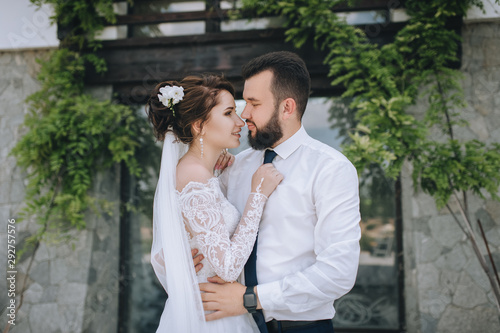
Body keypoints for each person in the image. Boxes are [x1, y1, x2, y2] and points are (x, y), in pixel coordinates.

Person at [198, 51, 361, 333]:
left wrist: (252, 299)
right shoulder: (234, 167)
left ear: (287, 108)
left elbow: (339, 273)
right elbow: (215, 235)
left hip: (301, 327)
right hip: (234, 326)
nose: (244, 114)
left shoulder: (331, 169)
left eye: (253, 103)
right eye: (243, 102)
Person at [146, 74, 283, 332]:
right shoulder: (194, 178)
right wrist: (258, 196)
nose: (240, 121)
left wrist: (220, 169)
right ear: (199, 126)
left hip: (214, 311)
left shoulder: (200, 173)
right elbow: (228, 267)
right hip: (210, 319)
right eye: (229, 112)